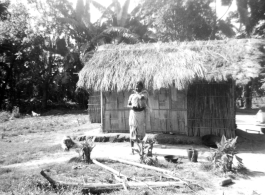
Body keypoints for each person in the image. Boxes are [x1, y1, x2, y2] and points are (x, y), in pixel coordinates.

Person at [127, 81, 151, 154]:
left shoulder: (145, 94)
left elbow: (142, 98)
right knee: (132, 130)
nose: (137, 88)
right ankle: (132, 150)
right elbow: (128, 105)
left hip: (141, 114)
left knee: (141, 131)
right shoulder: (132, 96)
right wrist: (132, 106)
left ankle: (142, 150)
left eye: (138, 87)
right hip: (133, 114)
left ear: (142, 87)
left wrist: (138, 94)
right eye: (136, 87)